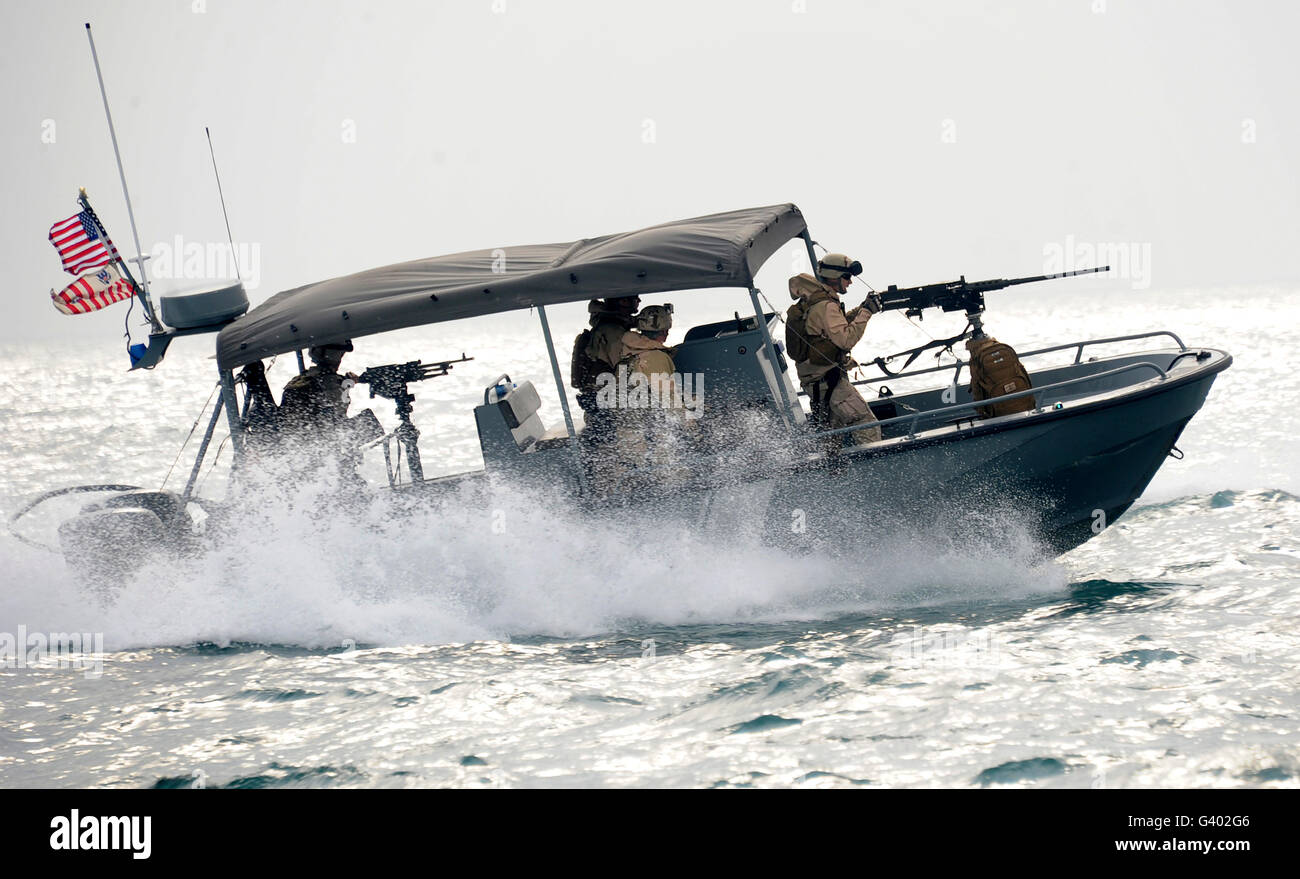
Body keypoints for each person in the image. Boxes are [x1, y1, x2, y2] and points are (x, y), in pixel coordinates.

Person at [786, 253, 883, 449]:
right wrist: (867, 313)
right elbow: (845, 339)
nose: (850, 282)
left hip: (819, 383)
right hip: (829, 383)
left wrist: (860, 309)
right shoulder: (826, 305)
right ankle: (877, 471)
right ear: (833, 276)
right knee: (867, 425)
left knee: (832, 443)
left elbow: (831, 330)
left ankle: (834, 477)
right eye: (847, 277)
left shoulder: (815, 300)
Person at [604, 304, 697, 489]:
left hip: (631, 435)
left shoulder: (631, 354)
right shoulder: (654, 358)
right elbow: (669, 399)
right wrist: (694, 429)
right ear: (665, 330)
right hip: (647, 438)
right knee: (682, 479)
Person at [571, 295, 640, 449]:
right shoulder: (613, 331)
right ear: (623, 301)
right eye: (635, 299)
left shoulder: (610, 326)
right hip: (609, 411)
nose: (639, 302)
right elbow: (627, 370)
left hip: (603, 405)